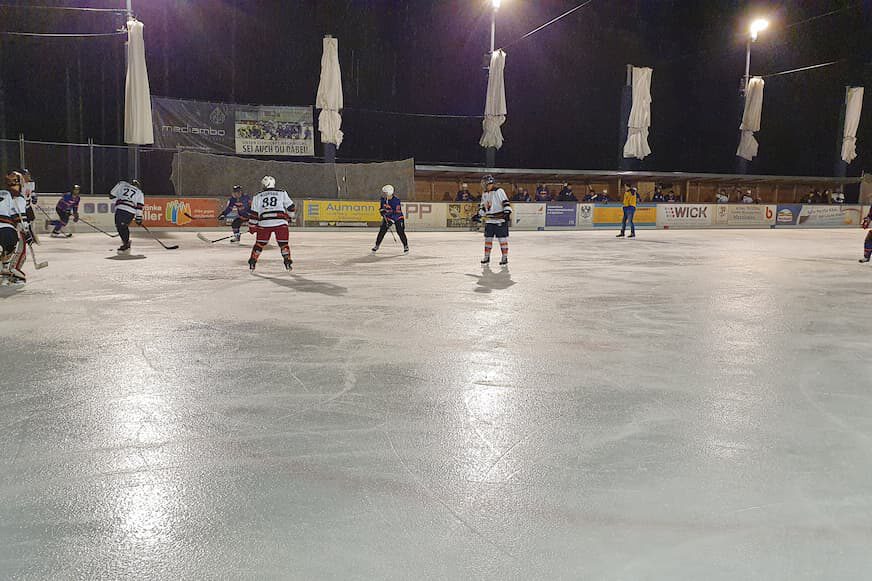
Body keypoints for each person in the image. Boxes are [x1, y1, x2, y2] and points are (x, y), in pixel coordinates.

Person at [248, 175, 295, 272]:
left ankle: (253, 262)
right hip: (280, 222)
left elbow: (254, 214)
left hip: (264, 223)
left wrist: (252, 226)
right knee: (283, 244)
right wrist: (290, 217)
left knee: (260, 244)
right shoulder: (282, 193)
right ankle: (287, 262)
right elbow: (291, 207)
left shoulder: (257, 196)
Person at [0, 171, 29, 284]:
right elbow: (20, 217)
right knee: (11, 247)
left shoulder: (3, 193)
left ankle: (4, 269)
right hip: (5, 229)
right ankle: (11, 270)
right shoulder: (18, 197)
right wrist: (26, 231)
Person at [477, 175, 512, 265]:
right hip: (489, 220)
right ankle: (486, 257)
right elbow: (483, 206)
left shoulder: (499, 191)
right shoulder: (484, 193)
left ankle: (504, 257)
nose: (483, 185)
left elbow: (505, 202)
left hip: (500, 220)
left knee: (502, 239)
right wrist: (479, 215)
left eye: (484, 183)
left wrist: (507, 212)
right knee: (488, 239)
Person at [110, 179, 144, 254]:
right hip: (129, 210)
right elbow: (139, 206)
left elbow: (112, 195)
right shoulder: (139, 192)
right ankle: (126, 242)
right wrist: (138, 218)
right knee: (123, 226)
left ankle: (126, 243)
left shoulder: (123, 186)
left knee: (119, 225)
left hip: (120, 208)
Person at [372, 184, 409, 254]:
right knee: (382, 230)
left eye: (385, 193)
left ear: (389, 192)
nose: (383, 194)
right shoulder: (383, 199)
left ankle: (405, 246)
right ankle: (377, 245)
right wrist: (382, 212)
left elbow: (397, 213)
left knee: (400, 231)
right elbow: (382, 208)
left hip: (398, 217)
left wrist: (392, 221)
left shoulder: (396, 201)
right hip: (388, 217)